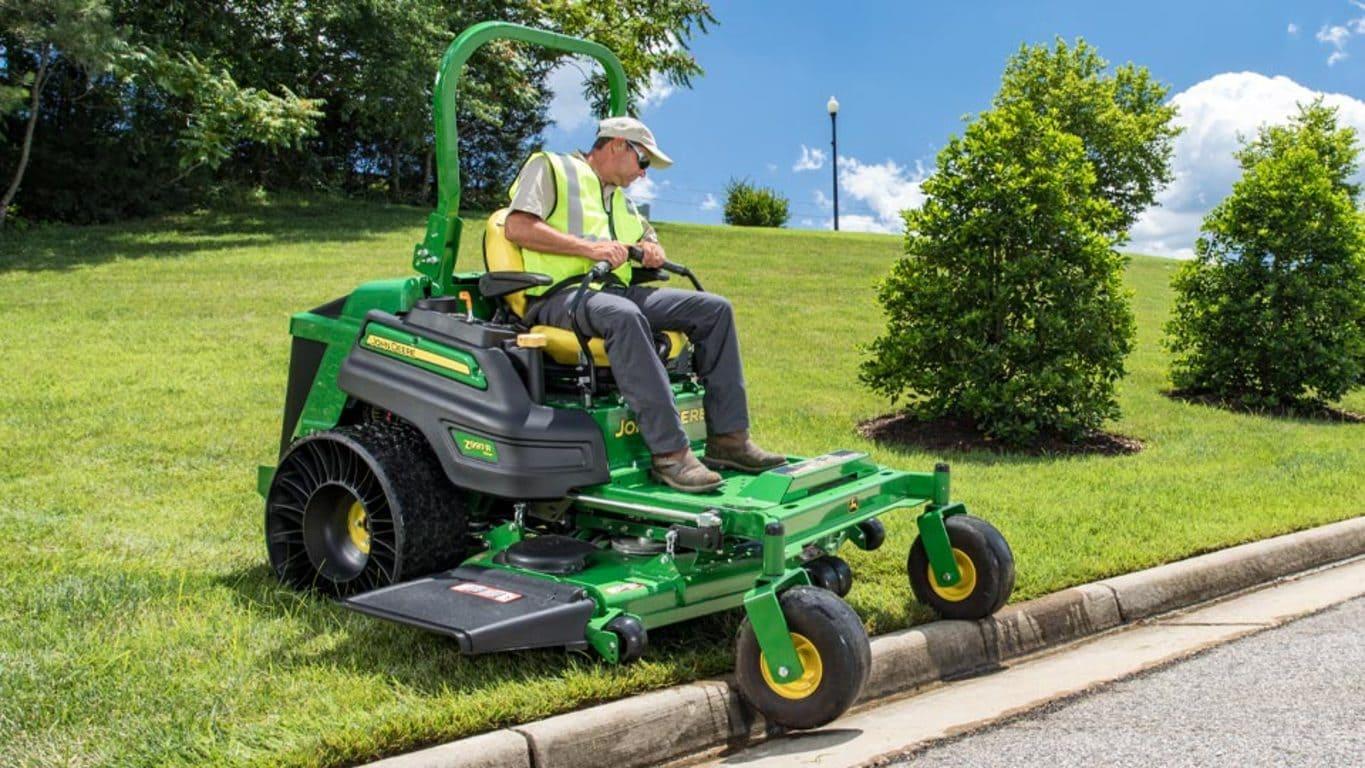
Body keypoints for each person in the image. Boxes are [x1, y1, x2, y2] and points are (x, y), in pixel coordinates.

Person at [503, 116, 785, 493]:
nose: (644, 173)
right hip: (558, 295)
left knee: (714, 309)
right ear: (618, 145)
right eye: (643, 162)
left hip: (612, 292)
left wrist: (652, 250)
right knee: (624, 315)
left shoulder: (619, 199)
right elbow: (517, 227)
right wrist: (590, 249)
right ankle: (671, 455)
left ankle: (729, 441)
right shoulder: (551, 168)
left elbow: (647, 238)